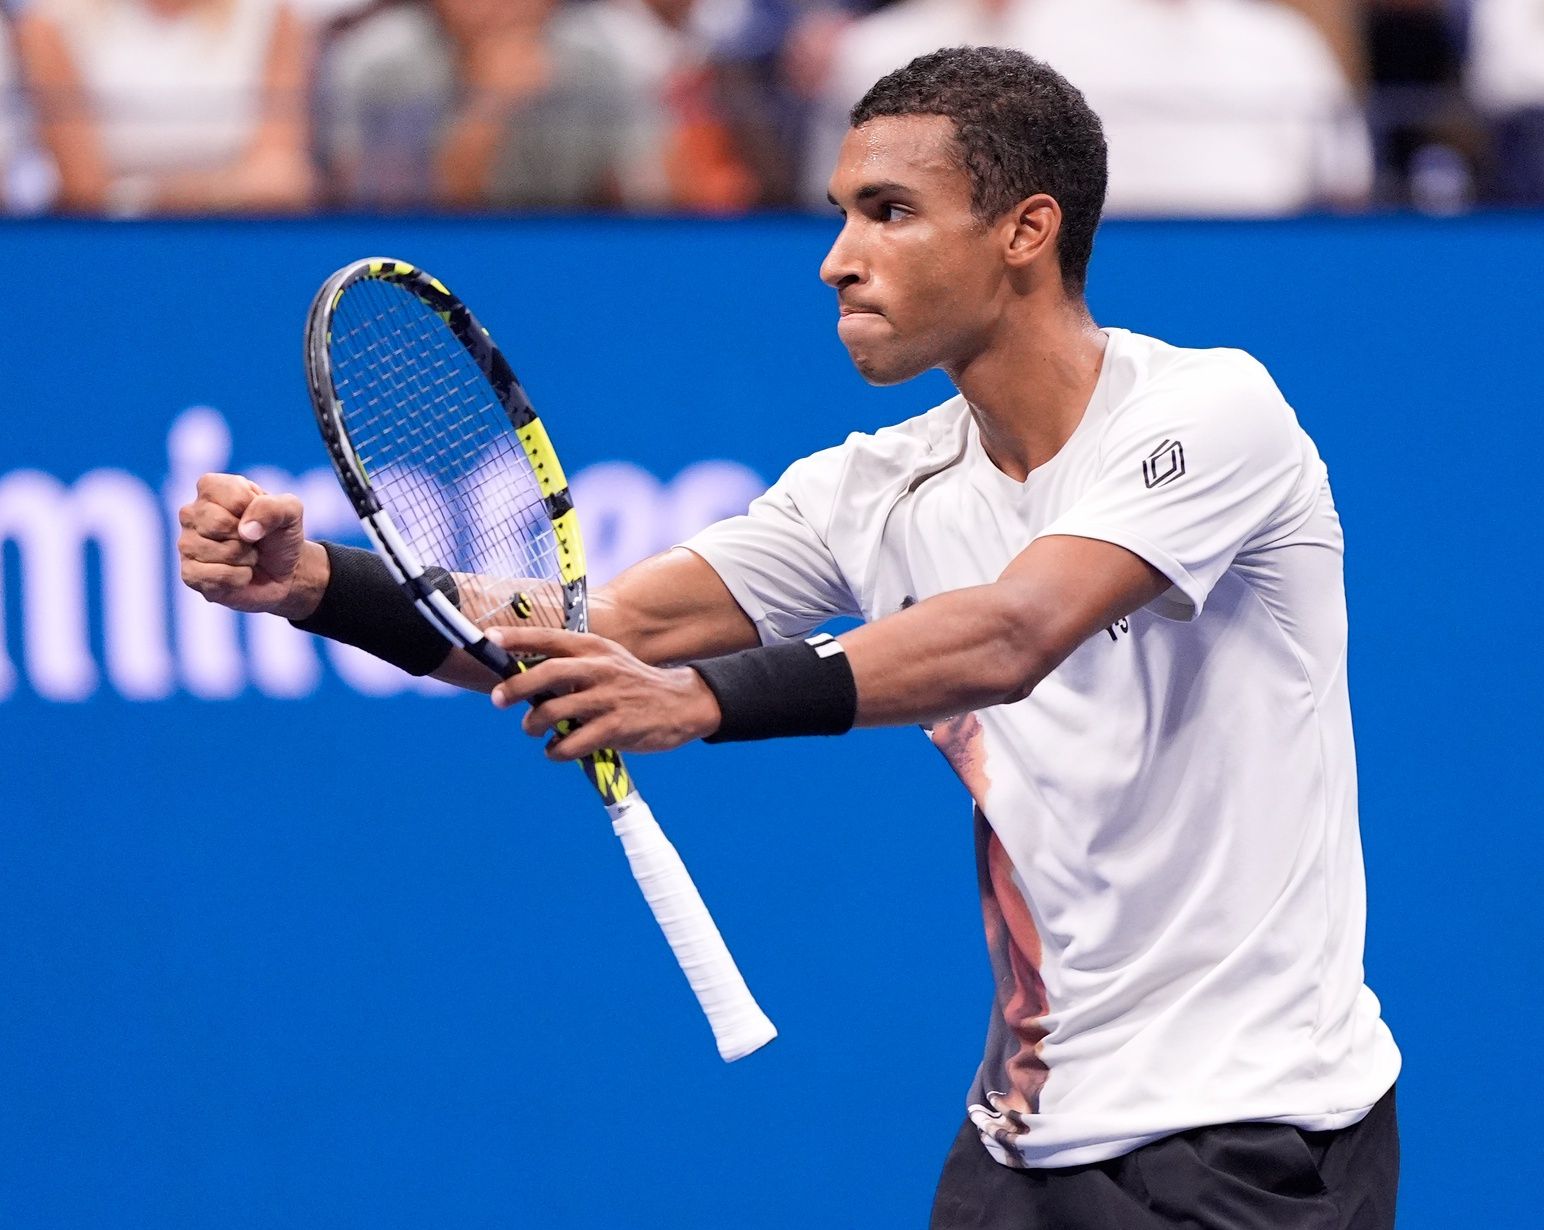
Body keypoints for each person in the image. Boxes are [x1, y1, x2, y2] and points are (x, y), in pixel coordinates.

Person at [178, 46, 1401, 1229]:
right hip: (1024, 1142)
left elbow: (1012, 631)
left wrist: (698, 701)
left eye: (888, 213)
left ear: (1025, 231)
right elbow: (596, 626)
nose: (835, 261)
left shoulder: (1210, 412)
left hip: (1248, 1136)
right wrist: (315, 584)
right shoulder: (869, 487)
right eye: (839, 214)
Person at [14, 0, 313, 215]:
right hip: (108, 243)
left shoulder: (272, 15)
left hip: (239, 236)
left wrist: (138, 195)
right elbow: (83, 189)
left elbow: (279, 177)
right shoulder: (51, 20)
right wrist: (225, 189)